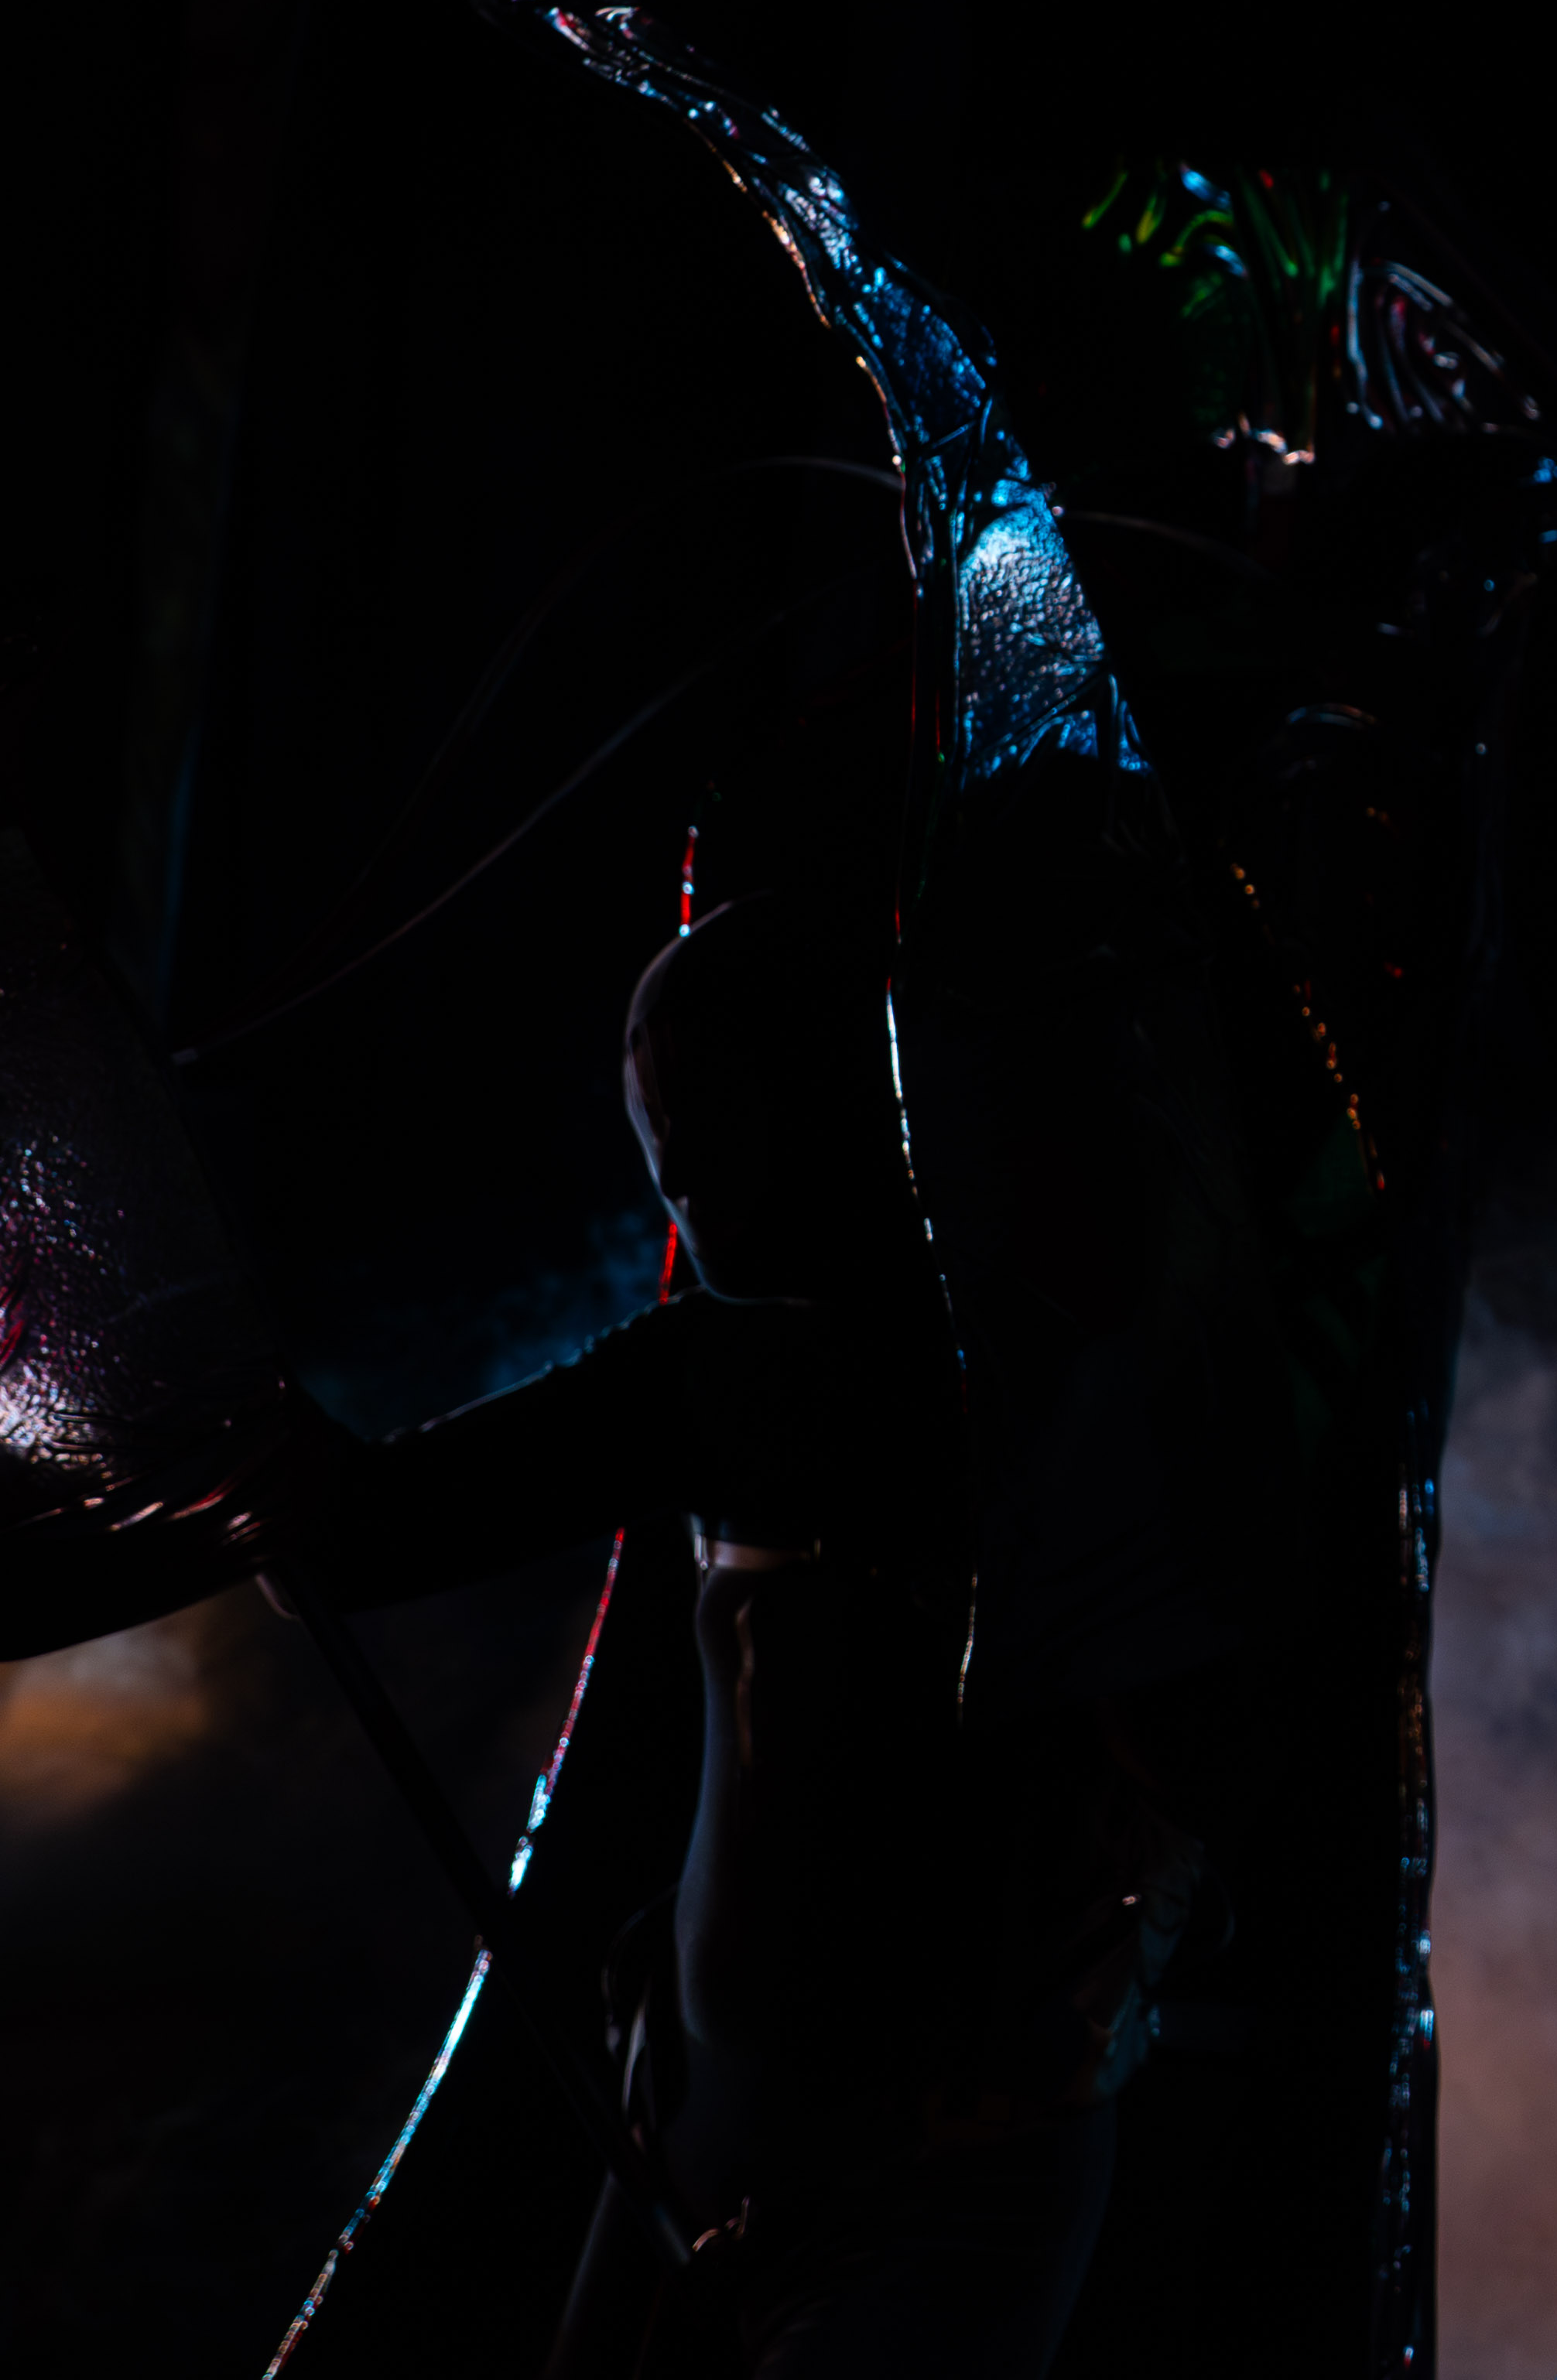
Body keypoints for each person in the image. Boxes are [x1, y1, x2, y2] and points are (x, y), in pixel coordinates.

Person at [299, 887, 1203, 2379]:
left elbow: (356, 1535)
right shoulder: (969, 1349)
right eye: (663, 1131)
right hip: (738, 2132)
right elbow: (354, 1536)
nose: (676, 1170)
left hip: (939, 2171)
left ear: (830, 1097)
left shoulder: (839, 1369)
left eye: (707, 1120)